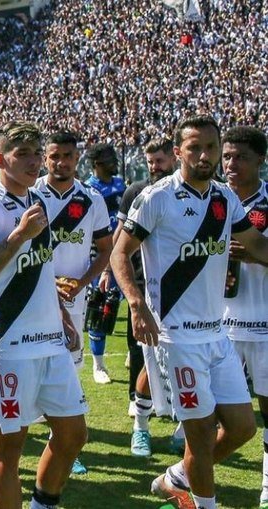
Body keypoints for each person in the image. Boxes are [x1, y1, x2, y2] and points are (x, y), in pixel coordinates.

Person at [111, 115, 268, 509]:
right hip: (177, 338)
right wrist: (136, 304)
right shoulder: (157, 198)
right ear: (178, 151)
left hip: (217, 335)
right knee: (199, 436)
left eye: (211, 147)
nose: (204, 155)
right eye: (194, 147)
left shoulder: (224, 198)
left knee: (243, 428)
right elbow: (119, 253)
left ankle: (177, 477)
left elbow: (259, 246)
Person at [0, 121, 87, 509]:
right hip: (8, 346)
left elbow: (41, 266)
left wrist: (62, 314)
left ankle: (41, 504)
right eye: (23, 154)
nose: (34, 161)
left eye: (36, 153)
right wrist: (18, 235)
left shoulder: (39, 199)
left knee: (73, 434)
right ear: (0, 160)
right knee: (9, 452)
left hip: (50, 341)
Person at [33, 131, 112, 476]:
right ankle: (12, 436)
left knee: (68, 373)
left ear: (78, 158)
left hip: (74, 300)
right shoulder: (30, 194)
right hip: (32, 299)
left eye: (68, 156)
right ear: (45, 158)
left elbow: (106, 249)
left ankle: (63, 444)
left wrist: (82, 282)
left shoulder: (92, 199)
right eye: (54, 156)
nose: (61, 162)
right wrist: (45, 281)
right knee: (31, 368)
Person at [114, 137, 182, 458]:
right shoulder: (140, 193)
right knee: (146, 358)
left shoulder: (207, 194)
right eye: (150, 162)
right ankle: (140, 425)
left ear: (174, 158)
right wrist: (112, 274)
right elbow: (120, 242)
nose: (154, 167)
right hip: (147, 287)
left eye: (160, 161)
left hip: (193, 293)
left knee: (193, 365)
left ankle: (183, 427)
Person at [220, 126, 268, 509]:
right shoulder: (213, 199)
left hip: (265, 324)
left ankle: (267, 484)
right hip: (219, 325)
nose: (231, 164)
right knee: (206, 413)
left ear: (260, 161)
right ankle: (194, 484)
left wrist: (254, 255)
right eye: (227, 156)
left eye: (241, 157)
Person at [84, 143, 126, 384]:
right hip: (99, 257)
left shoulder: (121, 185)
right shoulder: (89, 190)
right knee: (101, 308)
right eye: (110, 158)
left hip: (124, 255)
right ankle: (98, 365)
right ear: (97, 163)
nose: (115, 162)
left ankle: (134, 351)